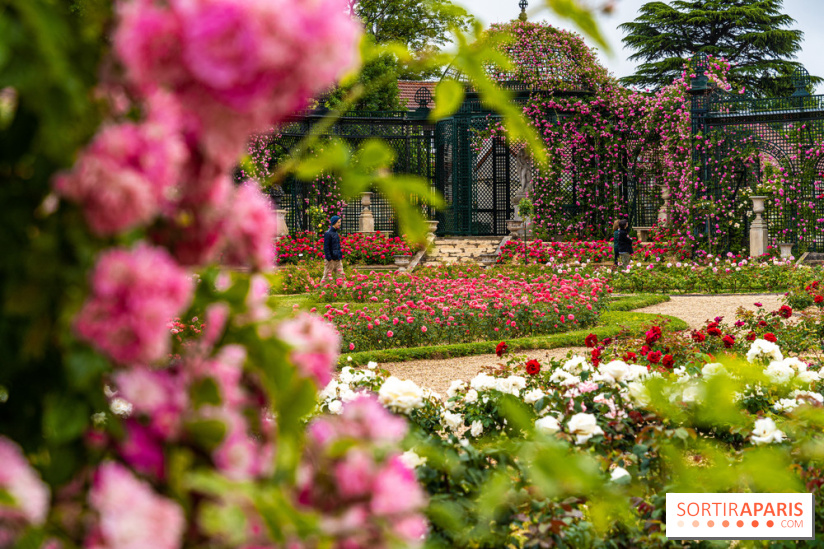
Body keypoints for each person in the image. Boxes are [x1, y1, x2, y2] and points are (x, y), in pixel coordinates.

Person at [321, 215, 345, 283]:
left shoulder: (335, 233)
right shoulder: (328, 233)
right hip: (331, 259)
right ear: (334, 223)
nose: (339, 224)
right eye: (338, 222)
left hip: (337, 258)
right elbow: (326, 247)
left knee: (341, 275)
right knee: (326, 276)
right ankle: (321, 289)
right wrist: (329, 258)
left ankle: (344, 289)